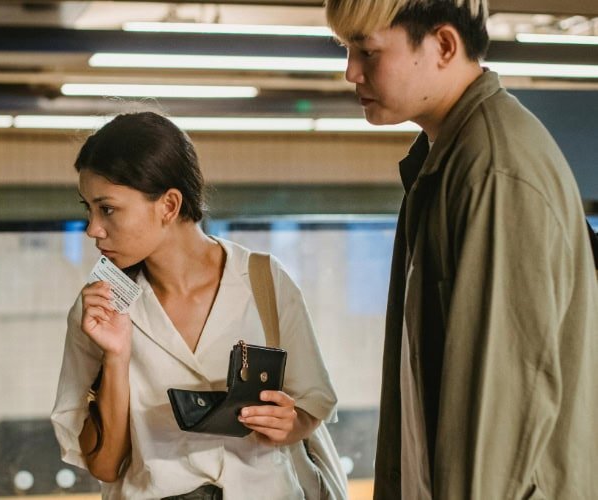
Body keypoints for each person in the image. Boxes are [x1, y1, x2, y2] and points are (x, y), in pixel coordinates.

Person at [324, 0, 598, 498]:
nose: (351, 72)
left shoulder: (493, 172)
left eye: (366, 51)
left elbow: (501, 408)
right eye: (347, 50)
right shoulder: (442, 162)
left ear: (444, 46)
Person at [50, 111, 339, 499]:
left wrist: (289, 422)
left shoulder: (264, 281)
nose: (92, 229)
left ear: (168, 205)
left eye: (108, 209)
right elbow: (105, 466)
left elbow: (310, 404)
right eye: (89, 208)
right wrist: (116, 357)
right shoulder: (102, 307)